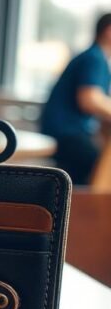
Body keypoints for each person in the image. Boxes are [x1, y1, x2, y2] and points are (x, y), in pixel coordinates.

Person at [40, 13, 111, 184]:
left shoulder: (94, 57)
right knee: (100, 166)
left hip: (65, 132)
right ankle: (81, 200)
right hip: (65, 134)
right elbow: (90, 100)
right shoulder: (94, 58)